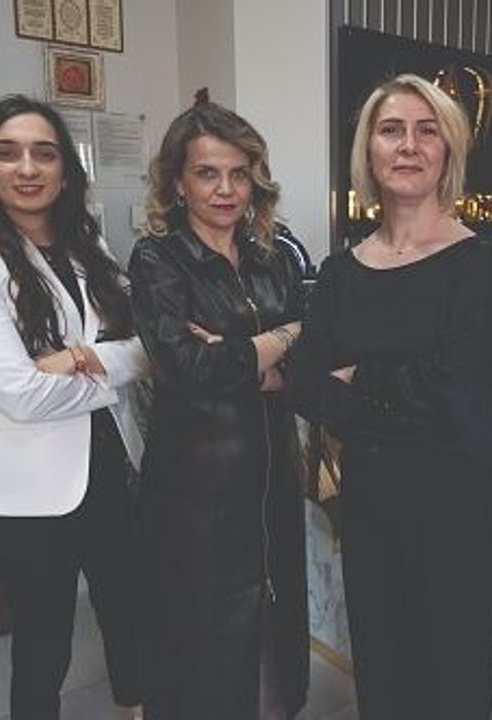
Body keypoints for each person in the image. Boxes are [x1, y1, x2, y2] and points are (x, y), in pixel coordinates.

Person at [287, 74, 492, 718]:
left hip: (454, 510)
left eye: (426, 130)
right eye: (391, 130)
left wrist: (356, 379)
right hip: (370, 506)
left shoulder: (480, 266)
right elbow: (304, 382)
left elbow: (450, 390)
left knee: (452, 683)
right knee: (383, 676)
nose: (408, 145)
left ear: (448, 151)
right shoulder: (339, 271)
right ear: (369, 151)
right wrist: (391, 389)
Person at [0, 95, 147, 720]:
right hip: (28, 491)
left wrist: (78, 357)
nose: (27, 168)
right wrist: (111, 363)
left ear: (65, 170)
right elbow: (19, 394)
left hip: (109, 462)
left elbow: (147, 346)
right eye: (8, 153)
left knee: (128, 618)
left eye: (44, 153)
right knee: (44, 648)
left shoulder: (86, 244)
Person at [128, 101, 307, 720]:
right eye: (207, 173)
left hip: (271, 479)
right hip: (194, 495)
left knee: (273, 640)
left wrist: (250, 353)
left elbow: (312, 353)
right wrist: (282, 339)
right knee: (202, 651)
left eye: (239, 174)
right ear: (178, 182)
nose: (226, 189)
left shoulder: (273, 258)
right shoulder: (158, 260)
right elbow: (188, 370)